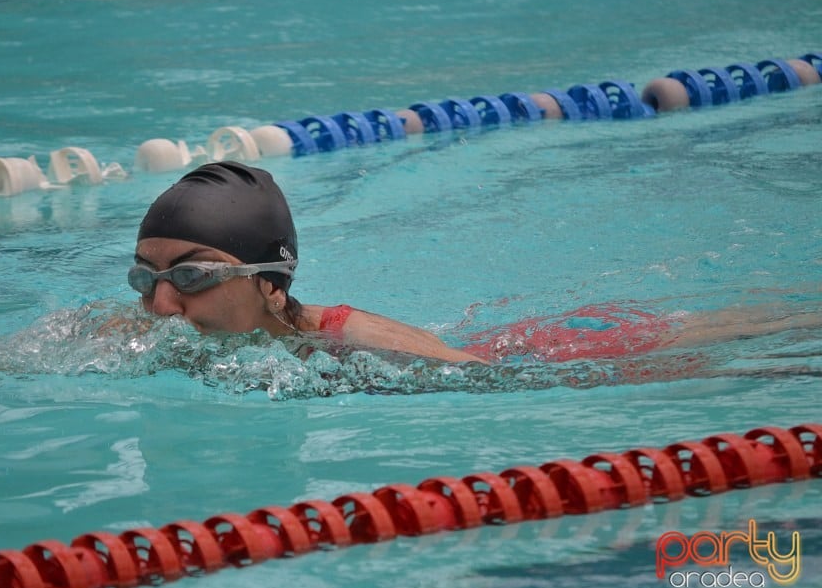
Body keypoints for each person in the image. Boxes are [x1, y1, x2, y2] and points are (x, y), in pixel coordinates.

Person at [130, 161, 821, 366]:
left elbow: (485, 376)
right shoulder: (137, 335)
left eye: (191, 277)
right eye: (147, 278)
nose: (162, 306)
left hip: (537, 353)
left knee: (737, 335)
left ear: (270, 284)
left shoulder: (350, 340)